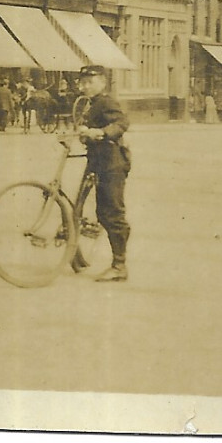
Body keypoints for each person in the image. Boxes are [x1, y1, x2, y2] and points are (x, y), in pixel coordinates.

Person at [76, 65, 132, 282]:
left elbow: (122, 122)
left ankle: (119, 266)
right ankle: (78, 256)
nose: (85, 86)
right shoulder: (93, 104)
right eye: (83, 82)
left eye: (90, 82)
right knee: (101, 212)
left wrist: (101, 132)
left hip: (112, 164)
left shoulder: (107, 101)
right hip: (98, 162)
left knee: (113, 213)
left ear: (102, 82)